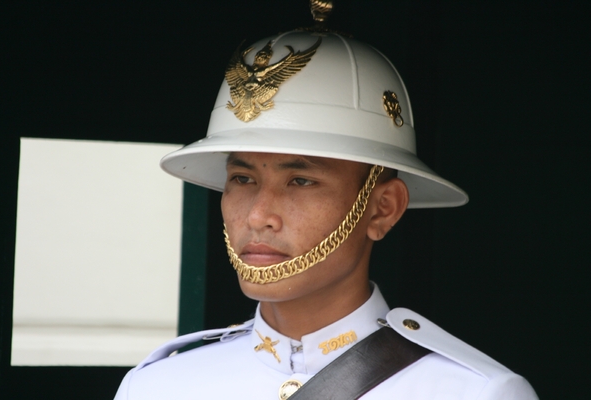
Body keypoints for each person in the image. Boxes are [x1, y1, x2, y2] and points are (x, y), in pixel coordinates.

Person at [115, 3, 538, 399]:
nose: (259, 215)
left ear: (382, 208)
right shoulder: (158, 386)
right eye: (242, 178)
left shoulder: (472, 393)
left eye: (300, 181)